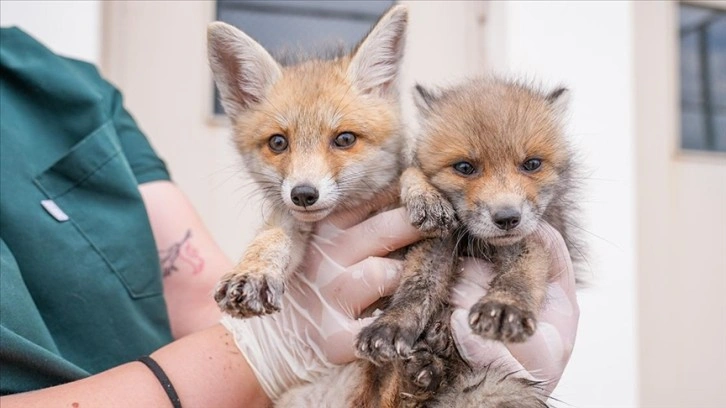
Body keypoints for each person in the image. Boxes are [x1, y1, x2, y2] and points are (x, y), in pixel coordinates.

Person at [0, 27, 579, 407]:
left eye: (343, 139)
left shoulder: (71, 92)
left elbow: (199, 292)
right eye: (277, 143)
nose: (304, 180)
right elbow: (281, 230)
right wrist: (265, 348)